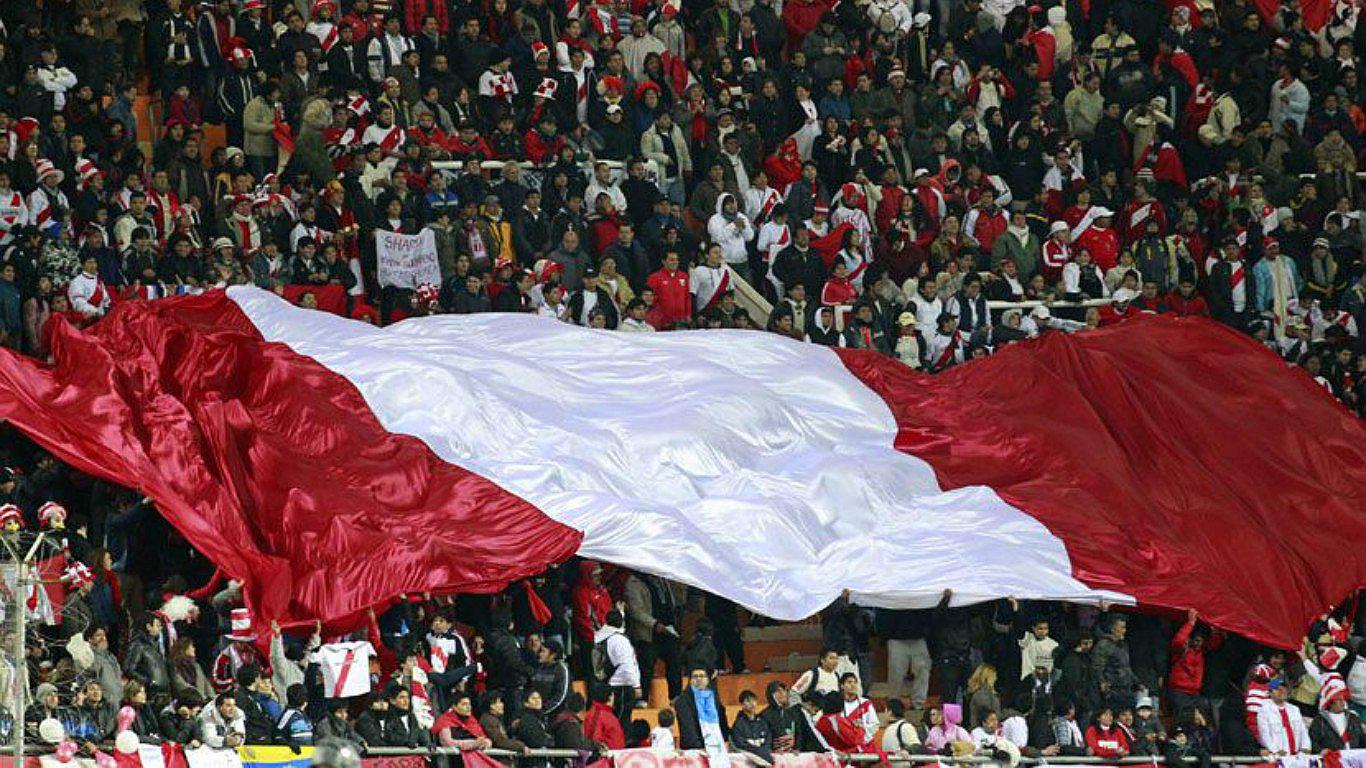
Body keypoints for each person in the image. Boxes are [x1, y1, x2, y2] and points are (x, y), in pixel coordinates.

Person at [674, 667, 730, 751]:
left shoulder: (714, 698)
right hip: (694, 750)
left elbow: (722, 724)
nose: (699, 679)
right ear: (690, 680)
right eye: (695, 676)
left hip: (717, 747)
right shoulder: (682, 700)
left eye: (702, 676)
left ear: (708, 680)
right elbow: (688, 730)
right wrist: (702, 747)